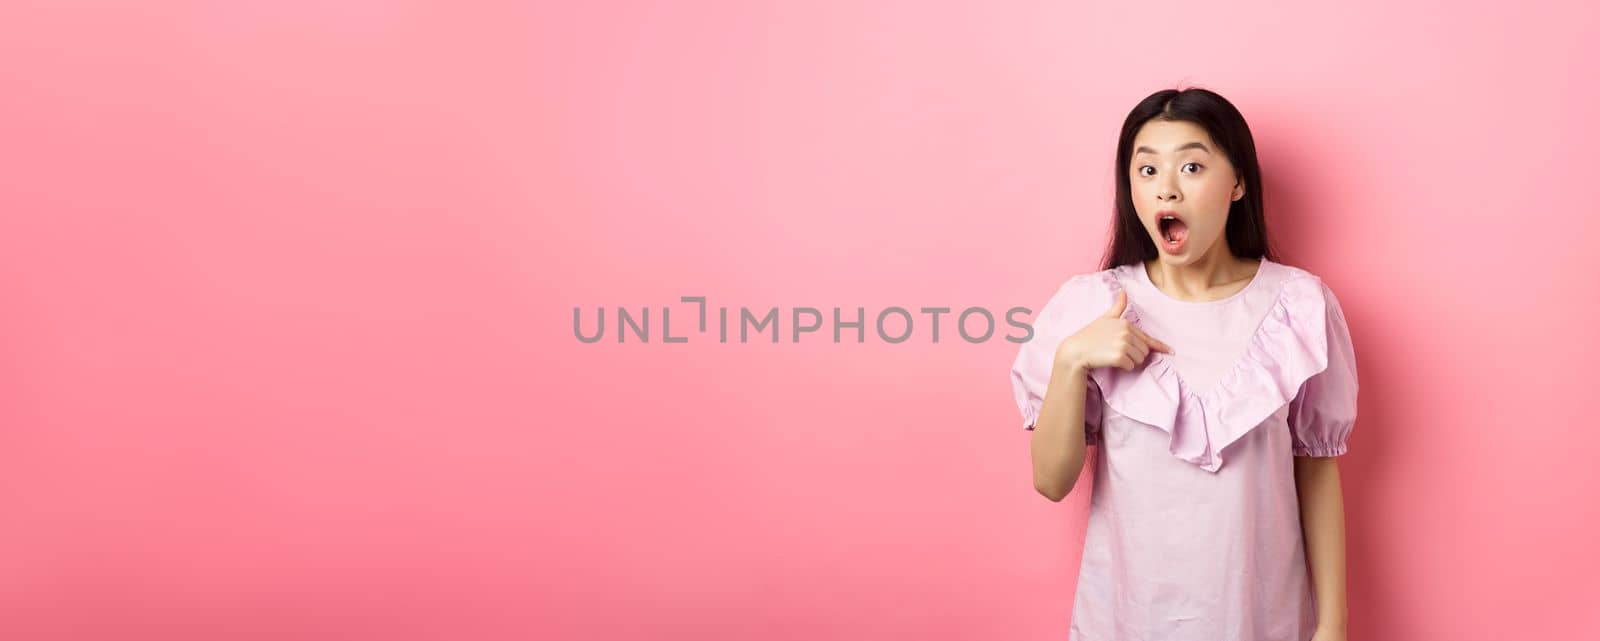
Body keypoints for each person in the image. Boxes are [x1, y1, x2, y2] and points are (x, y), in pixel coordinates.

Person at [1009, 87, 1358, 641]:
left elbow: (1315, 468)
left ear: (1238, 182)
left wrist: (1333, 624)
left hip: (1260, 619)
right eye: (1146, 170)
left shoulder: (1300, 305)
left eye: (1191, 166)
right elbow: (1051, 482)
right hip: (1127, 619)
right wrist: (1073, 360)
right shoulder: (1089, 306)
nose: (1165, 187)